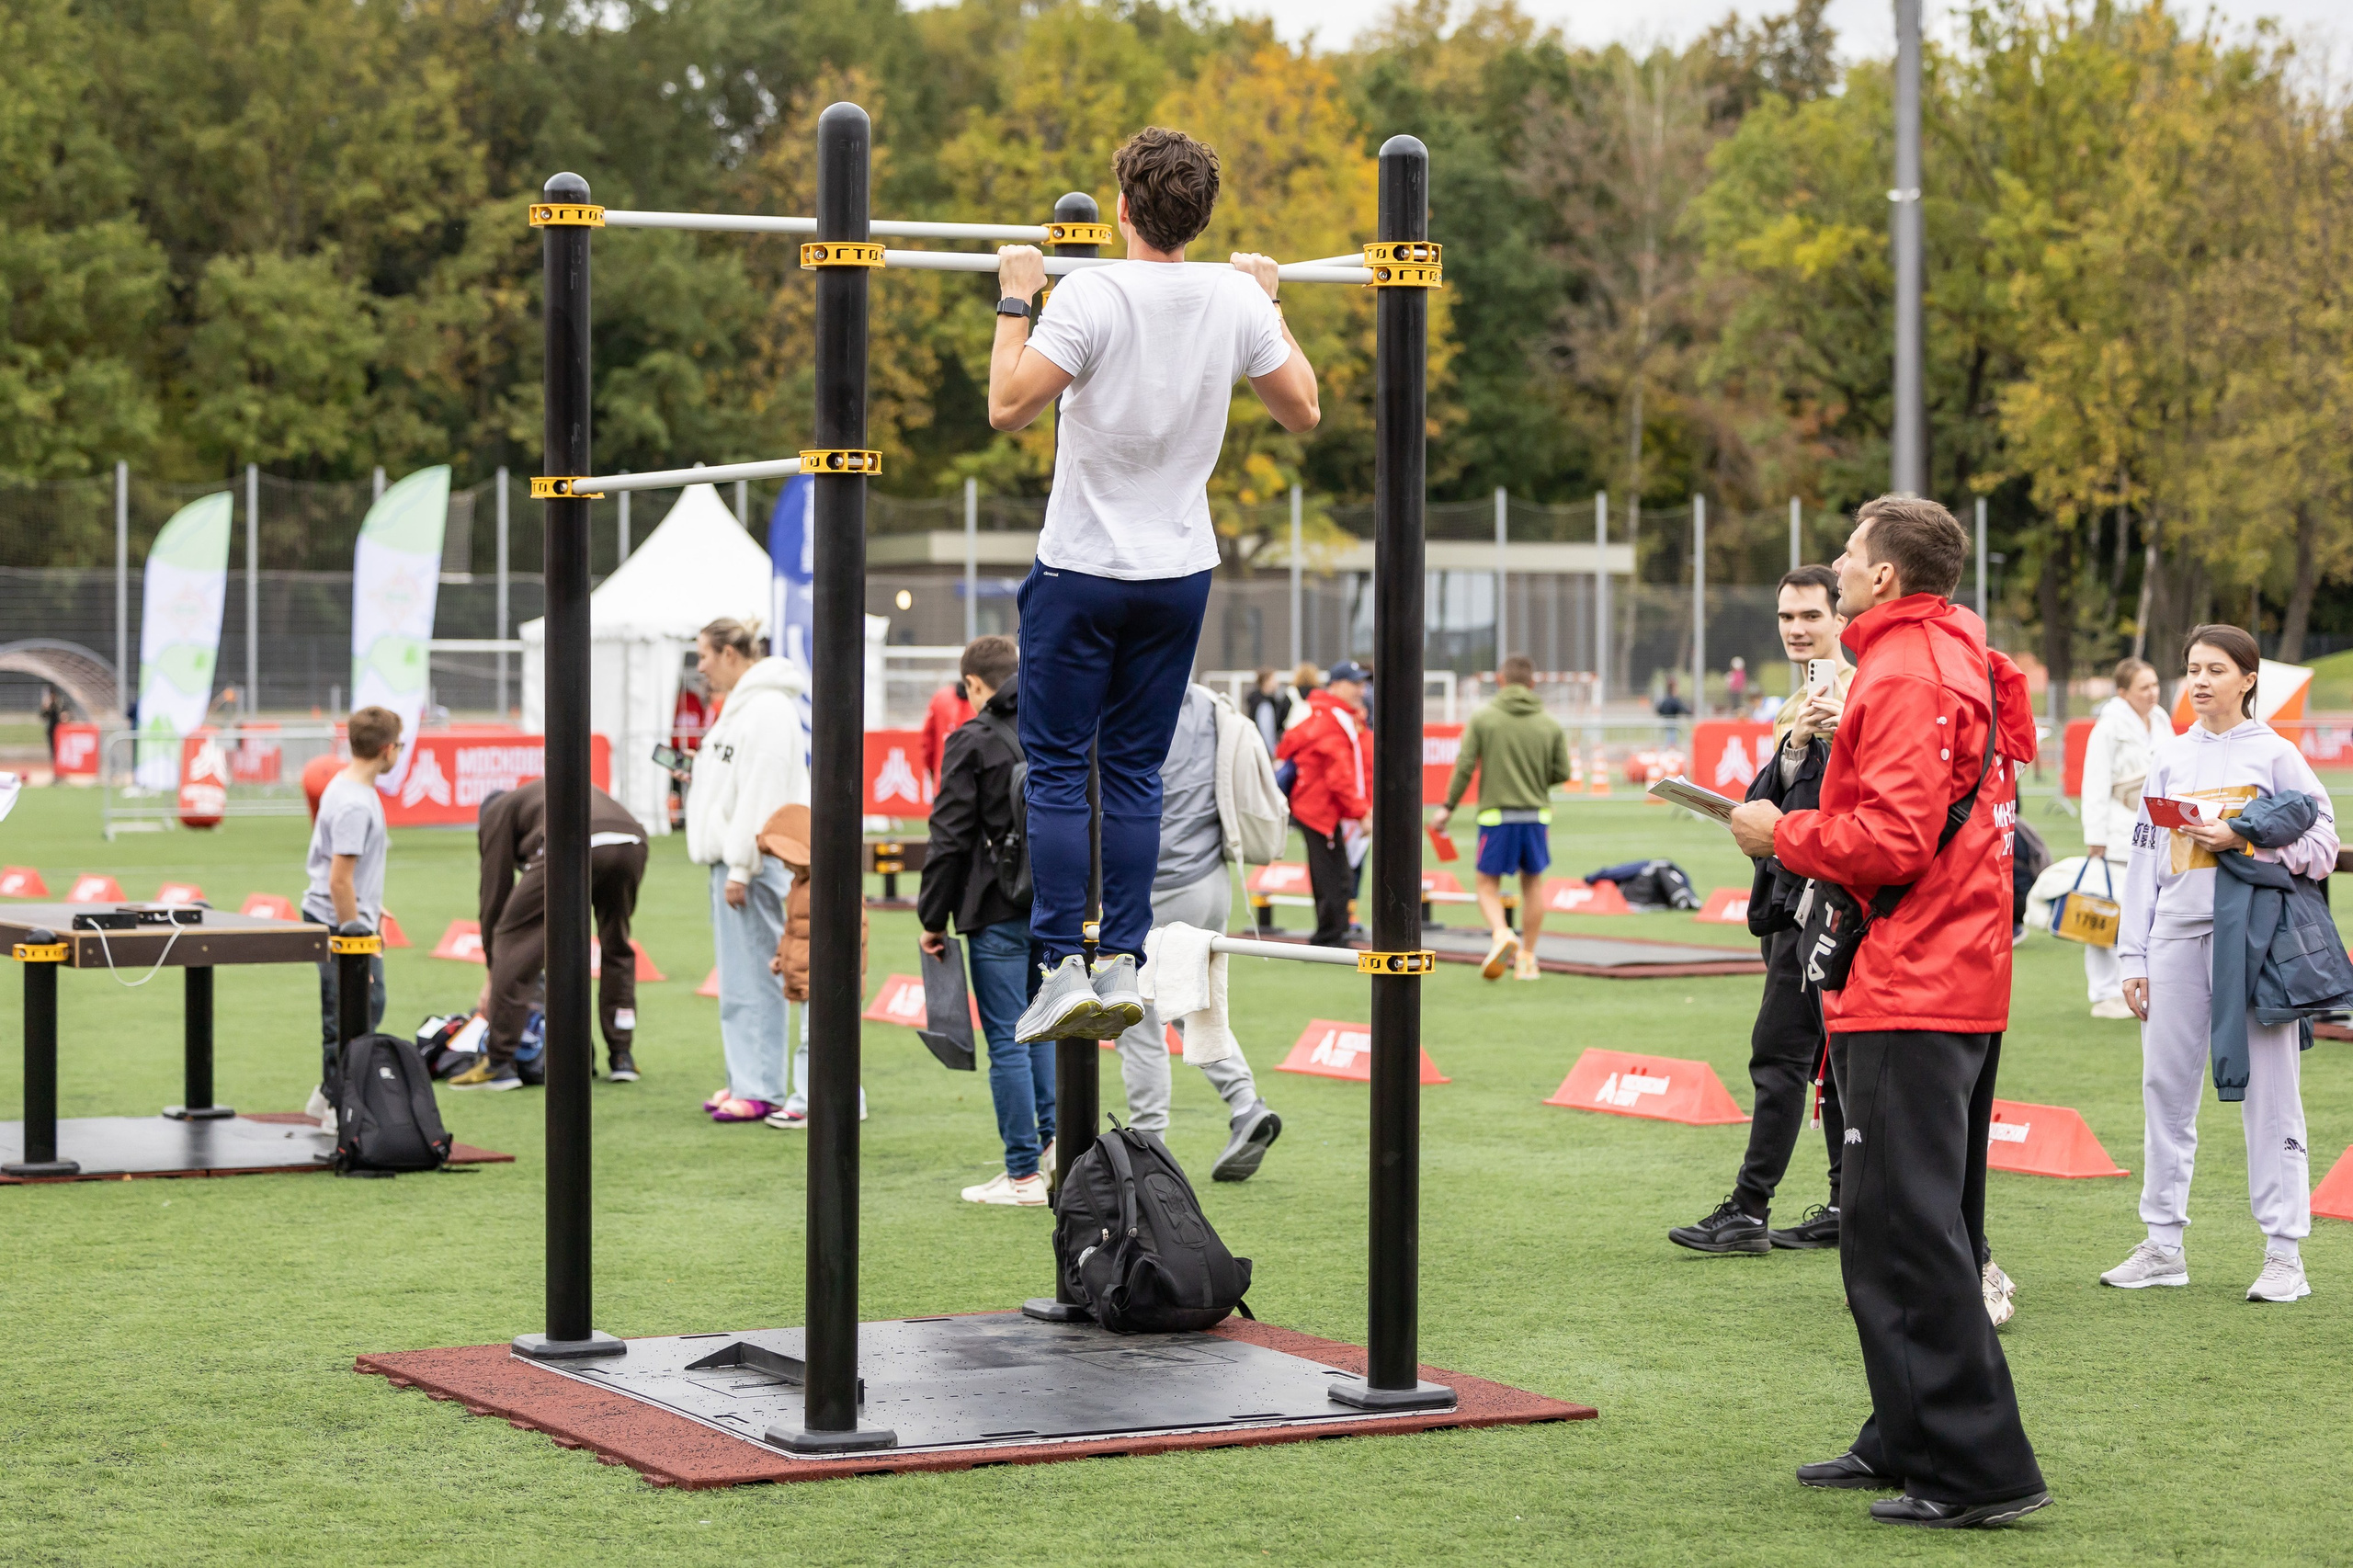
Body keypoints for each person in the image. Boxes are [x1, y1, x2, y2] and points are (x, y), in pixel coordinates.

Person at [1728, 495, 2048, 1528]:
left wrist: (1783, 833)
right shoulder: (1956, 652)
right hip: (1956, 970)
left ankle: (1971, 1467)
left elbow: (1896, 835)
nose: (1837, 562)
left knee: (1900, 1229)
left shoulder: (1908, 669)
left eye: (1851, 551)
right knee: (1915, 1221)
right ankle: (1906, 1430)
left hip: (1913, 975)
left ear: (1886, 577)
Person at [987, 125, 1322, 1043]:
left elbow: (1008, 406)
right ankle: (1122, 958)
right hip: (1176, 576)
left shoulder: (1088, 292)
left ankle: (1061, 965)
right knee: (1132, 769)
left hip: (1082, 568)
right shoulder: (1232, 298)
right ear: (1201, 219)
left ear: (1124, 210)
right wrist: (1269, 305)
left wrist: (1015, 299)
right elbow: (1303, 409)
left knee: (1058, 766)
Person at [2105, 624, 2335, 1305]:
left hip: (2255, 946)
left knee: (2271, 1096)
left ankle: (2284, 1253)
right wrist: (2132, 954)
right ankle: (2164, 1245)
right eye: (2192, 669)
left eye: (2215, 669)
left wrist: (2250, 842)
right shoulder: (2170, 758)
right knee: (2164, 1090)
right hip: (2173, 939)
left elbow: (2323, 842)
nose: (2200, 681)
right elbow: (2145, 861)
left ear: (2248, 678)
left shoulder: (2277, 754)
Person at [1671, 567, 1852, 1256]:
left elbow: (1847, 803)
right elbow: (1778, 794)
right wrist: (1796, 746)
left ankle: (1749, 1209)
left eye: (1810, 615)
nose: (1797, 629)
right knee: (1828, 1063)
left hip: (1824, 903)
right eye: (1786, 618)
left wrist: (1825, 740)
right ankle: (1844, 1200)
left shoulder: (1858, 692)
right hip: (1791, 896)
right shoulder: (1797, 697)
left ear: (1841, 618)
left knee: (1781, 1056)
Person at [1111, 682, 1286, 1180]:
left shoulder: (1127, 698)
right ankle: (1245, 1103)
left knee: (1137, 1020)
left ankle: (1151, 1149)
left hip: (1152, 883)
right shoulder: (1213, 705)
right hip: (1211, 878)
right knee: (1192, 1006)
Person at [918, 636, 1051, 1203]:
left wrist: (931, 916)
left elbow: (948, 837)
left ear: (974, 684)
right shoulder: (1055, 727)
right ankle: (1052, 1155)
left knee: (1007, 1038)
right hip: (1053, 905)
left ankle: (1022, 1174)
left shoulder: (970, 740)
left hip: (993, 905)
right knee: (1042, 1026)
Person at [684, 618, 808, 1122]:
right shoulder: (742, 708)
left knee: (756, 974)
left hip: (752, 865)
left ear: (730, 654)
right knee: (738, 977)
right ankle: (747, 1077)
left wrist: (742, 864)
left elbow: (764, 789)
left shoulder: (768, 708)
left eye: (704, 656)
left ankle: (759, 1087)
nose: (701, 668)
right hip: (736, 862)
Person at [452, 778, 647, 1091]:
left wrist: (494, 968)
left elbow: (494, 894)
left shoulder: (497, 813)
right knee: (616, 944)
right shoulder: (533, 801)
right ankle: (621, 1055)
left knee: (511, 936)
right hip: (632, 841)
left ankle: (499, 1063)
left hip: (579, 840)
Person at [1433, 653, 1571, 981]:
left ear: (1499, 680)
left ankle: (1502, 933)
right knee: (1532, 883)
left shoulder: (1484, 718)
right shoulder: (1548, 722)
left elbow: (1465, 766)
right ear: (1533, 683)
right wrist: (1535, 780)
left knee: (1486, 885)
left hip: (1496, 816)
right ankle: (1527, 959)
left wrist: (1448, 807)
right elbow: (1562, 771)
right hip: (1536, 816)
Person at [301, 705, 402, 1131]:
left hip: (350, 913)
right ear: (386, 749)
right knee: (349, 1011)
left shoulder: (347, 784)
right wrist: (355, 932)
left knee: (366, 1005)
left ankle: (328, 1092)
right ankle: (334, 1103)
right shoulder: (355, 803)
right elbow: (339, 880)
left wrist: (372, 907)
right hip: (338, 921)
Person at [758, 803, 869, 1131]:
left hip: (826, 982)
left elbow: (852, 933)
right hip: (813, 978)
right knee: (833, 1041)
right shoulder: (802, 883)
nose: (782, 863)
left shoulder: (829, 883)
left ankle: (805, 1104)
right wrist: (783, 954)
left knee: (815, 1040)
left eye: (785, 855)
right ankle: (852, 1102)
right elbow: (795, 929)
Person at [2079, 656, 2174, 1019]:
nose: (2152, 693)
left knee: (2150, 910)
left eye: (2154, 685)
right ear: (2123, 692)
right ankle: (2104, 992)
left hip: (2158, 824)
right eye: (2143, 688)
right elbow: (2095, 783)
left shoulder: (2162, 719)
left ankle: (2144, 984)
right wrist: (2096, 836)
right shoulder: (2108, 727)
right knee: (2105, 909)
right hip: (2118, 826)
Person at [1277, 660, 1371, 948]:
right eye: (1354, 683)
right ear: (1337, 685)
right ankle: (1330, 936)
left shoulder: (1328, 714)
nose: (1361, 689)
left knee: (1334, 872)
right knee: (1334, 875)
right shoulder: (1330, 718)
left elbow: (1286, 746)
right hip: (1319, 809)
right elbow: (1339, 774)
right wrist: (1361, 811)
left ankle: (1332, 933)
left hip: (1318, 806)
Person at [919, 677, 975, 790]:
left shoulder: (941, 698)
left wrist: (933, 771)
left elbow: (927, 743)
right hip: (978, 786)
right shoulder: (985, 701)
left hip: (945, 782)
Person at [1245, 667, 1284, 755]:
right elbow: (1267, 731)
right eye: (1273, 679)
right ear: (1266, 681)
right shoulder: (1265, 704)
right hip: (1264, 751)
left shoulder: (1258, 700)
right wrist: (1273, 753)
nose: (1277, 682)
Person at [1281, 662, 1321, 733]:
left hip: (1293, 735)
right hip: (1314, 735)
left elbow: (1281, 718)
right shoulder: (1319, 694)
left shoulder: (1291, 693)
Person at [1654, 676, 1691, 744]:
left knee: (1668, 740)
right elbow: (1683, 709)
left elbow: (1659, 710)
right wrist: (1690, 712)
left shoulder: (1665, 699)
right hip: (1672, 725)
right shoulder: (1673, 700)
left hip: (1667, 724)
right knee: (1671, 742)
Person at [39, 687, 64, 770]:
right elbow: (43, 717)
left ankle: (61, 771)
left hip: (61, 732)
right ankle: (56, 771)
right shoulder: (49, 706)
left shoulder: (60, 704)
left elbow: (65, 715)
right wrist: (45, 708)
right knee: (54, 753)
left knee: (61, 752)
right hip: (52, 732)